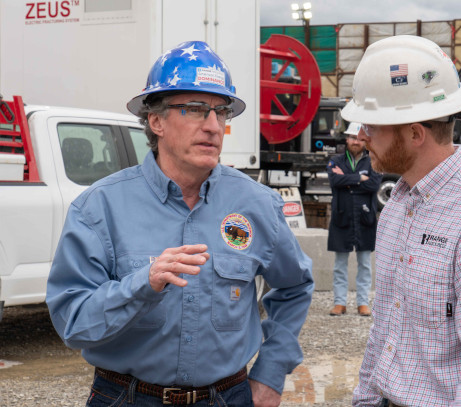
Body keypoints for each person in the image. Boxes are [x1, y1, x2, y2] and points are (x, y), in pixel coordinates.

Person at [45, 41, 314, 407]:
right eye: (195, 109)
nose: (213, 126)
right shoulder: (99, 208)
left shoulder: (257, 204)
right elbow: (73, 323)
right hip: (127, 397)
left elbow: (295, 287)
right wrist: (144, 283)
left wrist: (271, 372)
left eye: (221, 112)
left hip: (227, 397)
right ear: (156, 121)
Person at [342, 35, 461, 406]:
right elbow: (386, 330)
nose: (362, 136)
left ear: (415, 133)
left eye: (372, 126)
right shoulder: (398, 204)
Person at [327, 122, 382, 317]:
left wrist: (347, 179)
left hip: (364, 218)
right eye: (352, 138)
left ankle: (363, 303)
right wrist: (359, 178)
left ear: (365, 140)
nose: (355, 142)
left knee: (365, 264)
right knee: (339, 265)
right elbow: (334, 180)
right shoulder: (335, 161)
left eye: (359, 138)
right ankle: (339, 302)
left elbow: (374, 185)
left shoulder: (374, 160)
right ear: (346, 139)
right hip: (342, 217)